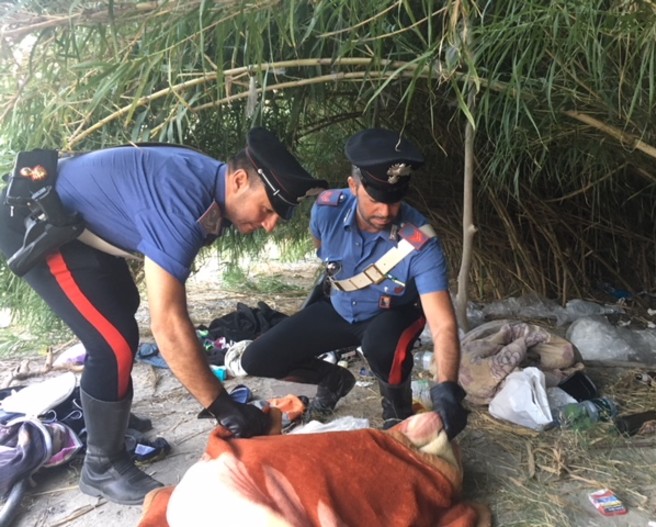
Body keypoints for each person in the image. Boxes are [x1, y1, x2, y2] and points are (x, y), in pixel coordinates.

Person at [0, 127, 328, 505]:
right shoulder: (184, 201)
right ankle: (101, 466)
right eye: (268, 209)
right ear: (239, 181)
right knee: (113, 342)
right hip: (39, 222)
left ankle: (106, 422)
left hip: (73, 222)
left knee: (122, 305)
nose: (270, 224)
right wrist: (223, 407)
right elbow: (169, 324)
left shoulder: (209, 186)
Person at [240, 128, 468, 440]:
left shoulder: (421, 241)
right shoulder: (326, 208)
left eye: (395, 201)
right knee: (256, 359)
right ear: (353, 186)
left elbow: (442, 325)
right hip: (339, 306)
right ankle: (333, 380)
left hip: (392, 315)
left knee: (381, 344)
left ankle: (396, 410)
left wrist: (446, 387)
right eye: (375, 200)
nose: (386, 212)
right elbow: (323, 252)